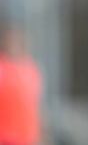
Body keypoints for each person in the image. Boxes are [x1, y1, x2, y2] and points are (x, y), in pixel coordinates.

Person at [0, 15, 43, 145]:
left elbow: (36, 106)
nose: (14, 42)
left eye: (18, 38)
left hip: (28, 138)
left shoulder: (32, 68)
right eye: (11, 38)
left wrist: (41, 134)